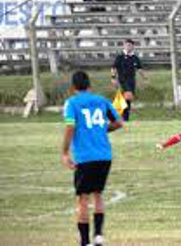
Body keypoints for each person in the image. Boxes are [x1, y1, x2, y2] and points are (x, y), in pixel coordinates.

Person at [62, 71, 123, 246]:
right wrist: (102, 130)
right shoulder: (101, 100)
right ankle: (98, 236)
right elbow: (118, 122)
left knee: (82, 198)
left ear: (73, 87)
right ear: (90, 85)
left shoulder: (72, 103)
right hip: (104, 155)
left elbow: (70, 127)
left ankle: (84, 242)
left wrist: (65, 152)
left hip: (85, 157)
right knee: (98, 195)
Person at [111, 39, 146, 122]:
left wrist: (145, 78)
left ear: (133, 46)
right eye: (126, 45)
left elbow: (139, 69)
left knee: (127, 100)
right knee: (127, 96)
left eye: (130, 45)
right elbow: (114, 68)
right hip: (122, 80)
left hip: (132, 81)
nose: (128, 47)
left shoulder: (135, 58)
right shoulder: (120, 57)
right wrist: (113, 78)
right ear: (124, 46)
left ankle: (123, 117)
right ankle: (120, 115)